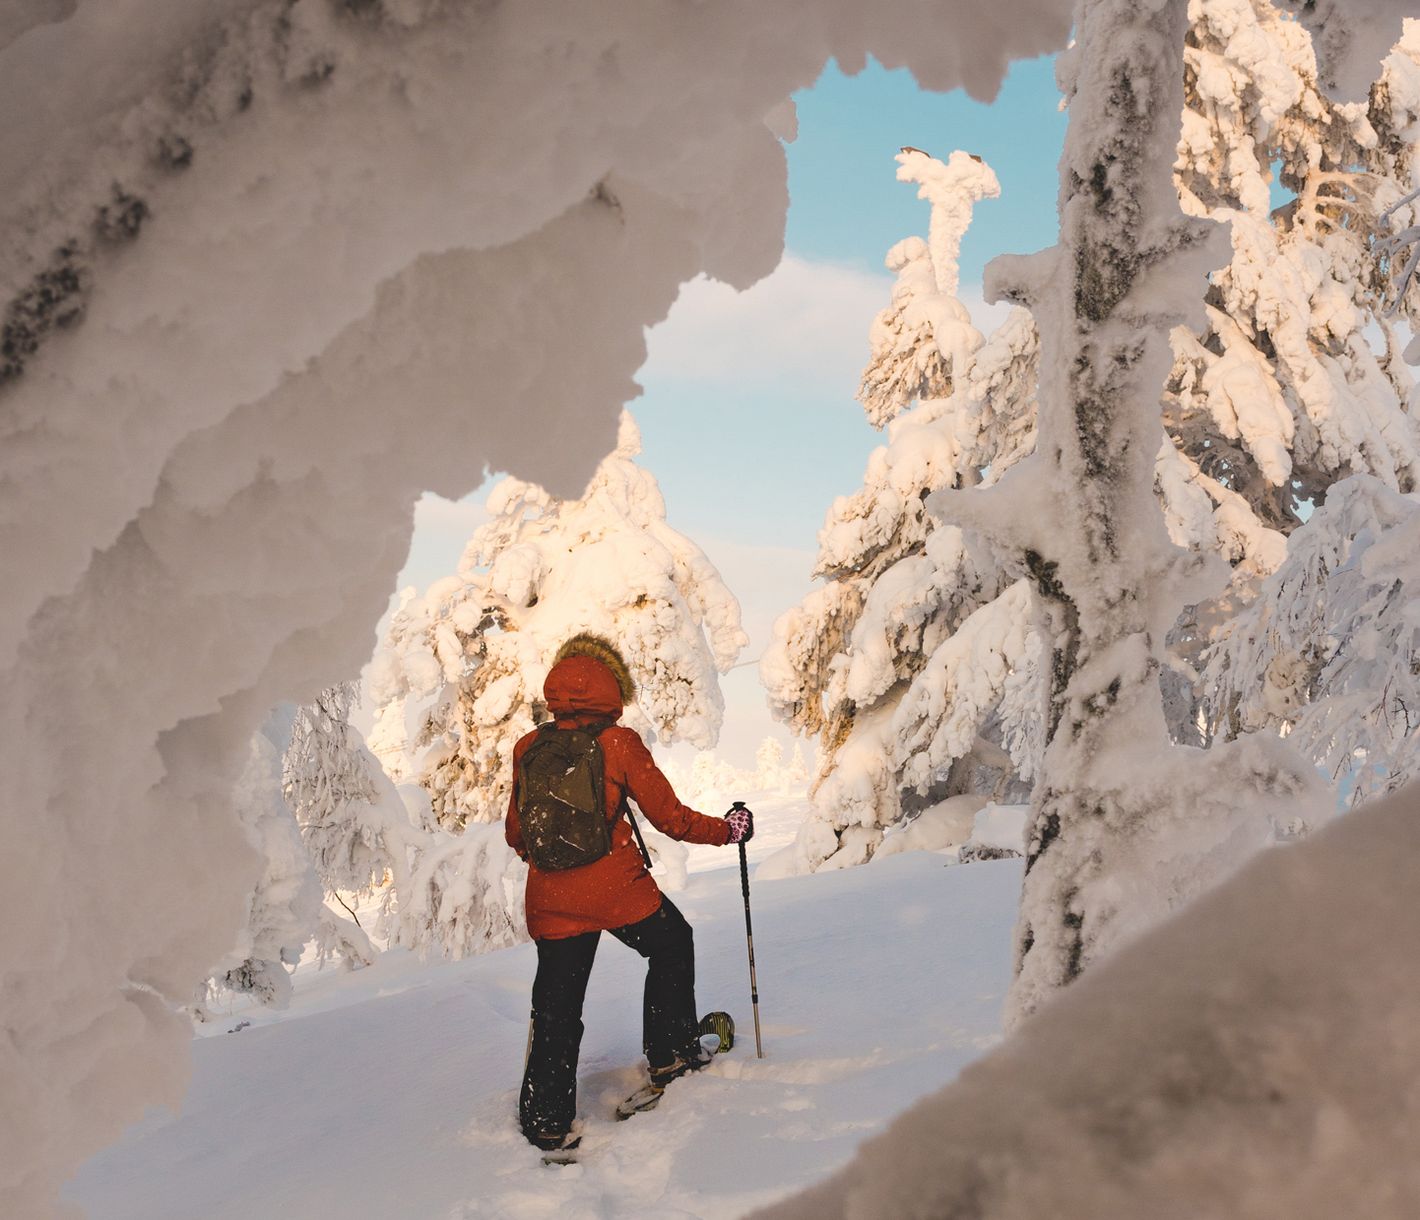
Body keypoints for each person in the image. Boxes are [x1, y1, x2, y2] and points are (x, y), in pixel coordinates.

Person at [504, 633, 754, 1156]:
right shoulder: (619, 743)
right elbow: (672, 819)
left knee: (556, 1005)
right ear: (611, 688)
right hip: (617, 890)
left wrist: (556, 872)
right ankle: (670, 1053)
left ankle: (547, 1121)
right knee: (669, 943)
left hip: (550, 899)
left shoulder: (529, 748)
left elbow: (515, 834)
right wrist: (729, 831)